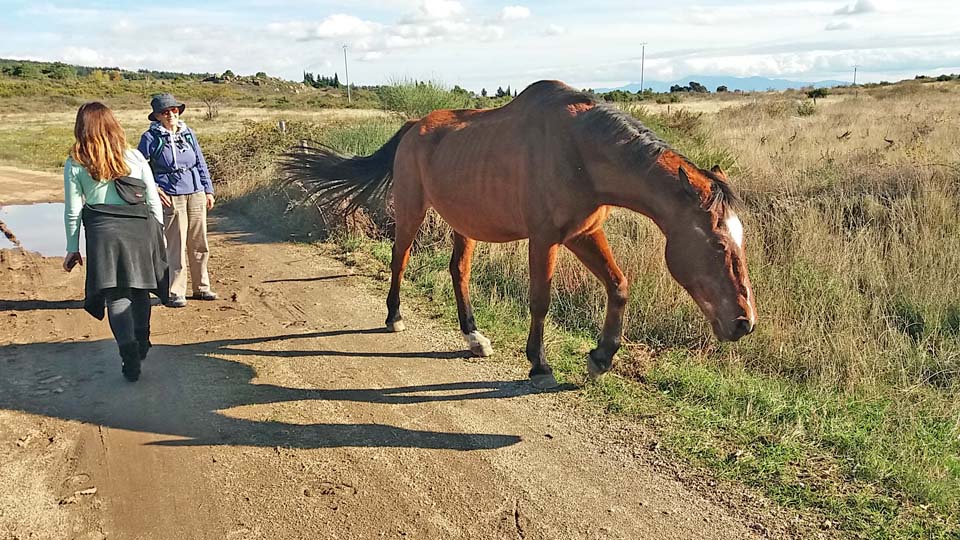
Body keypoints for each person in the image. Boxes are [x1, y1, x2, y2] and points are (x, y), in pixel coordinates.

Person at [63, 102, 168, 382]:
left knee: (116, 294)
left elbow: (74, 209)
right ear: (113, 124)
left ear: (81, 128)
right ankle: (142, 341)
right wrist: (159, 235)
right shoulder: (134, 156)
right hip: (140, 228)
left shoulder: (76, 162)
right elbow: (152, 200)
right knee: (140, 288)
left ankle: (128, 351)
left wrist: (72, 247)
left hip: (103, 234)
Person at [138, 93, 218, 308]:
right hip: (171, 195)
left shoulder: (188, 133)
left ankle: (202, 288)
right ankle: (176, 292)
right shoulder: (150, 138)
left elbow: (200, 162)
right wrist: (153, 188)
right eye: (165, 112)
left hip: (196, 192)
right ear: (156, 116)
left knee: (200, 243)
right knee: (176, 245)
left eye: (174, 110)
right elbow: (139, 167)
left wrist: (208, 190)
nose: (171, 114)